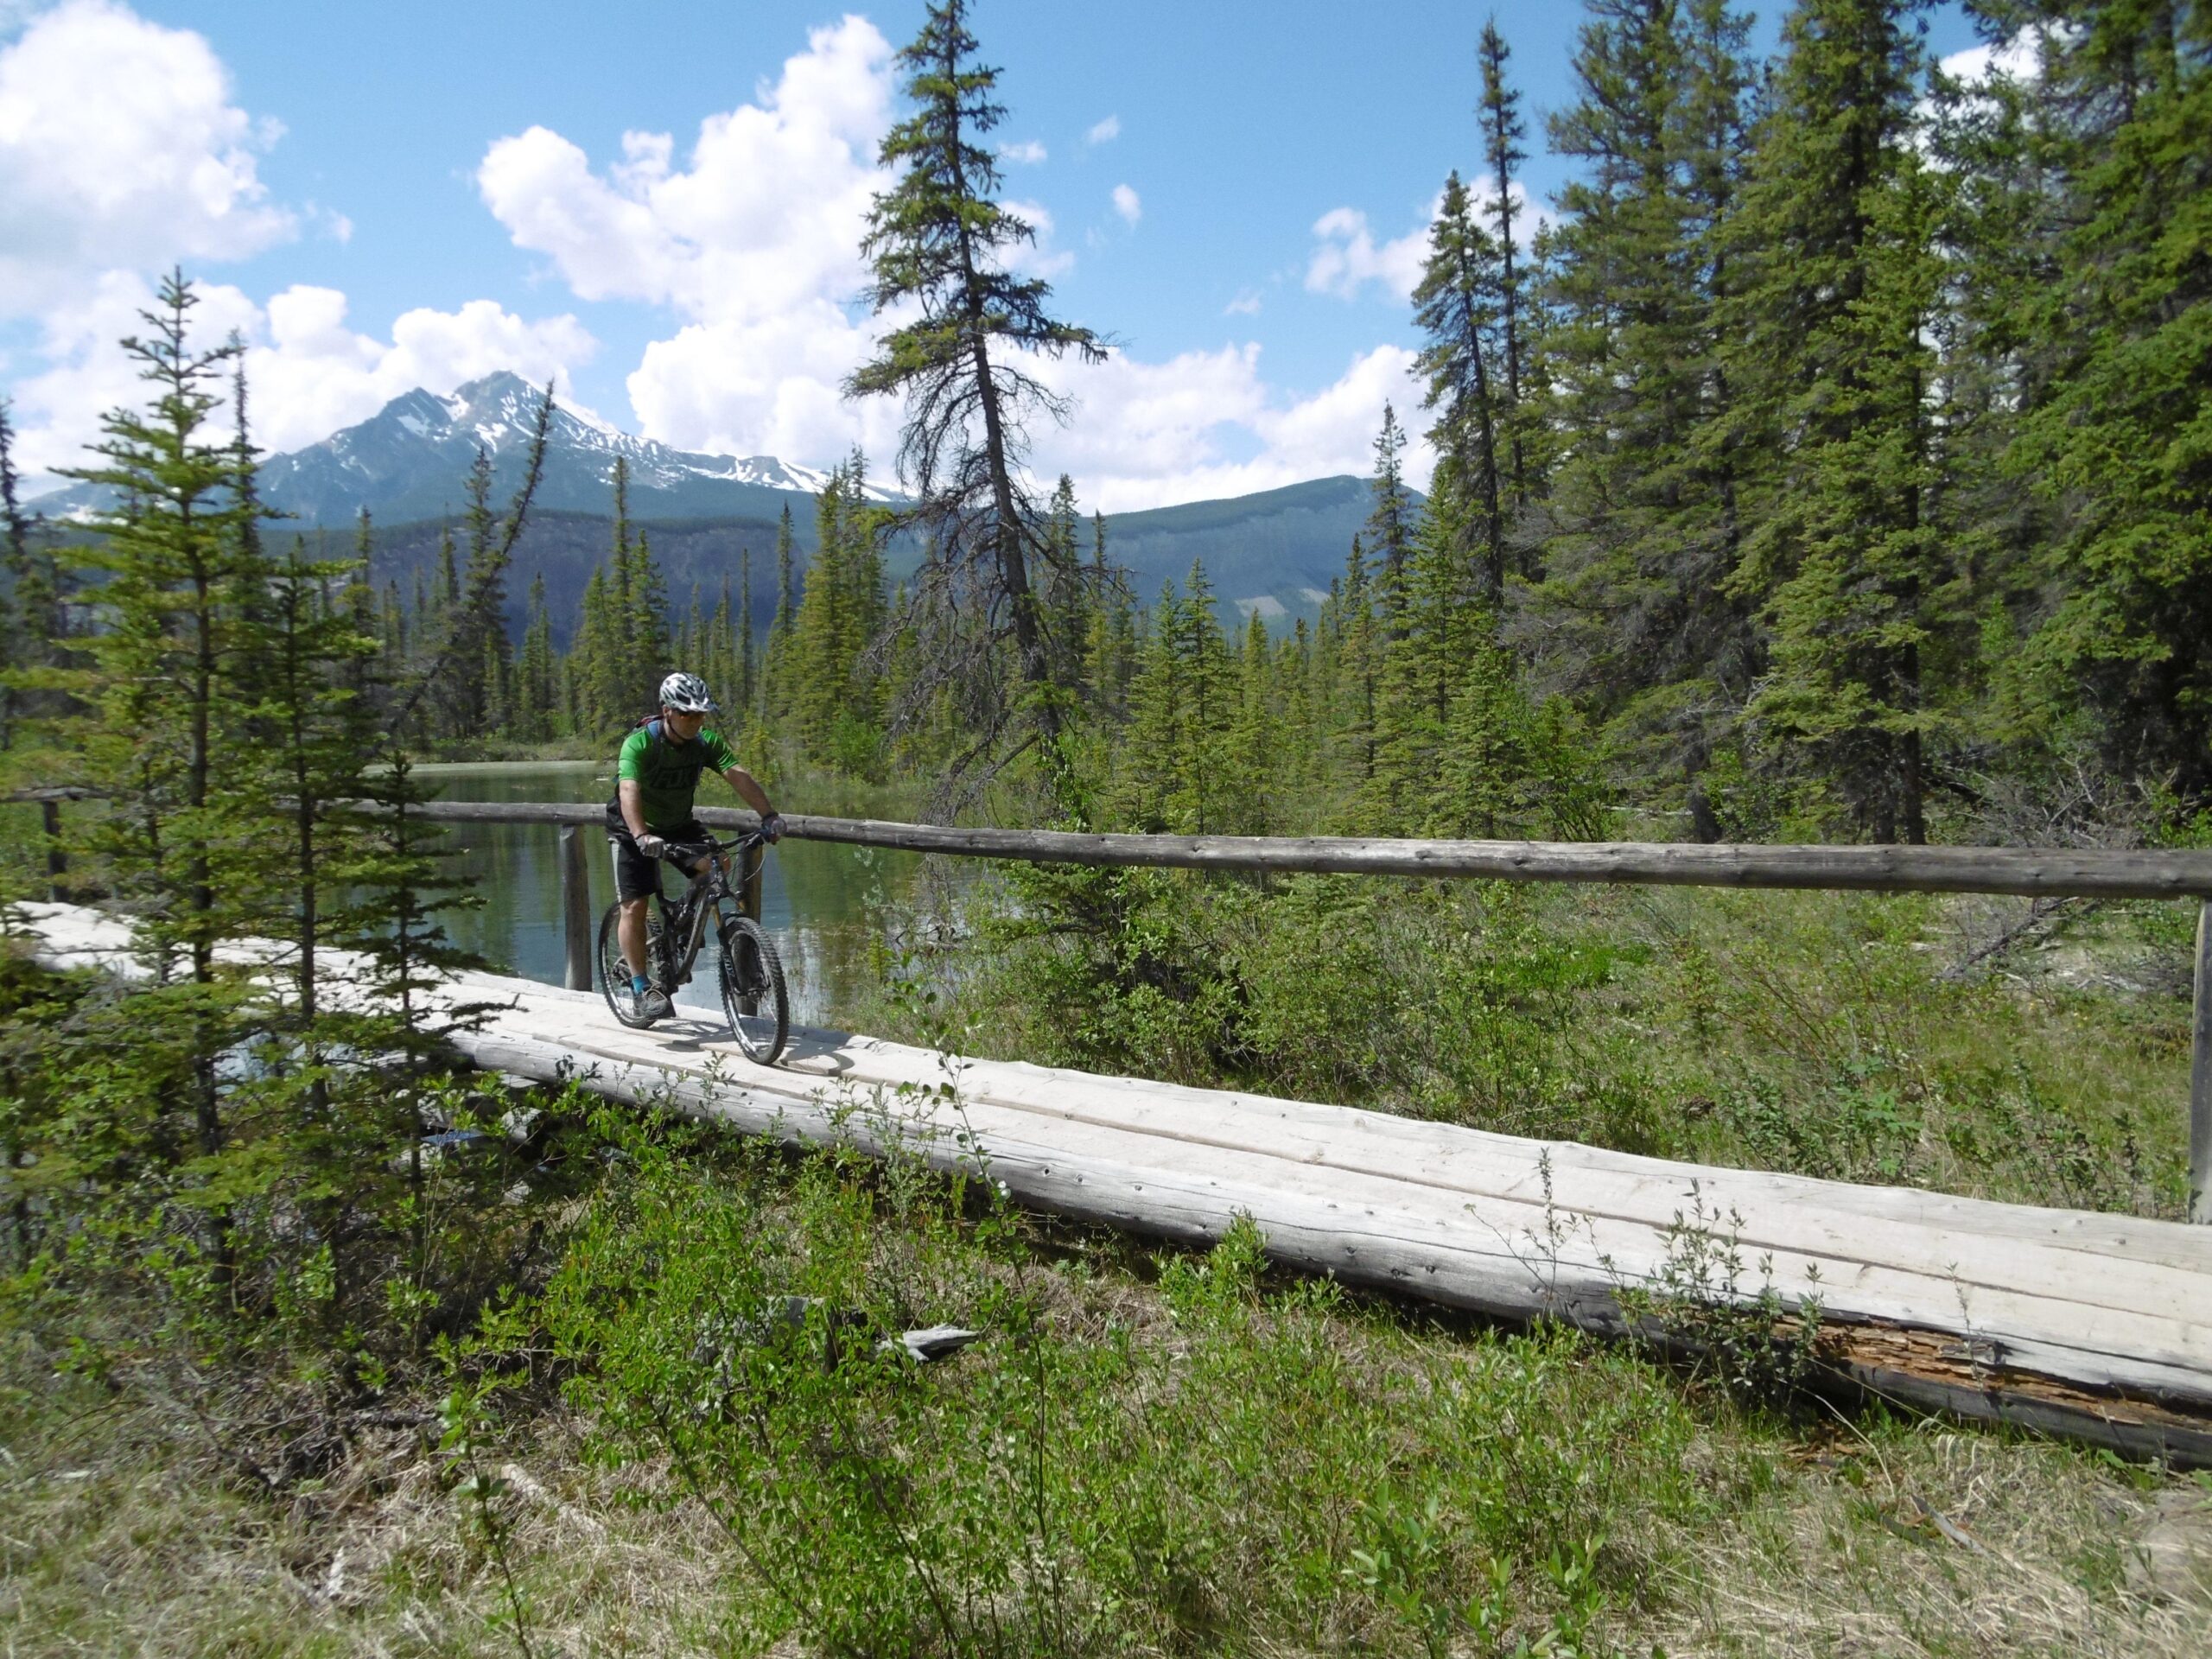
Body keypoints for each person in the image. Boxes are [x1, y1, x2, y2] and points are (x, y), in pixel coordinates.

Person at [607, 671, 783, 1022]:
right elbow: (629, 790)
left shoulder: (704, 743)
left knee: (719, 865)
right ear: (667, 711)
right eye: (687, 713)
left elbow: (737, 774)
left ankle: (682, 921)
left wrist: (769, 815)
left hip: (678, 825)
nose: (694, 720)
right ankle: (642, 988)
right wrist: (641, 835)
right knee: (635, 904)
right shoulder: (640, 744)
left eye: (700, 714)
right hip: (633, 827)